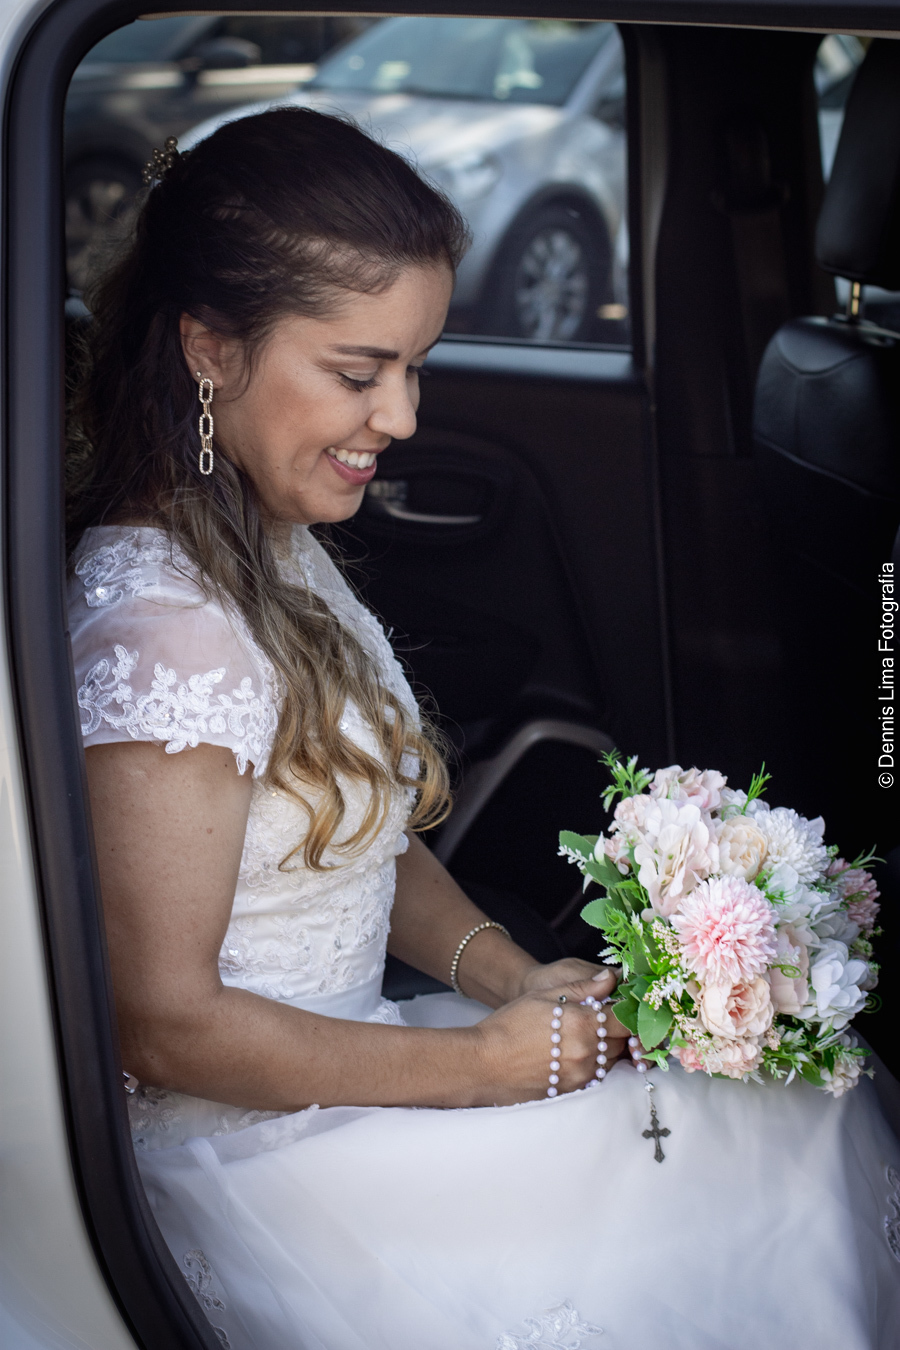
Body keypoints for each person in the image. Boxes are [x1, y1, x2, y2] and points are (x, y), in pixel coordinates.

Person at [68, 108, 899, 1350]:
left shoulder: (268, 547)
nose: (402, 417)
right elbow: (164, 1024)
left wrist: (511, 974)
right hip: (258, 1159)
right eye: (360, 374)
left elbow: (347, 833)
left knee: (784, 1103)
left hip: (350, 1072)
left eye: (418, 366)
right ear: (209, 350)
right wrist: (483, 1068)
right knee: (768, 1151)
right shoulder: (166, 634)